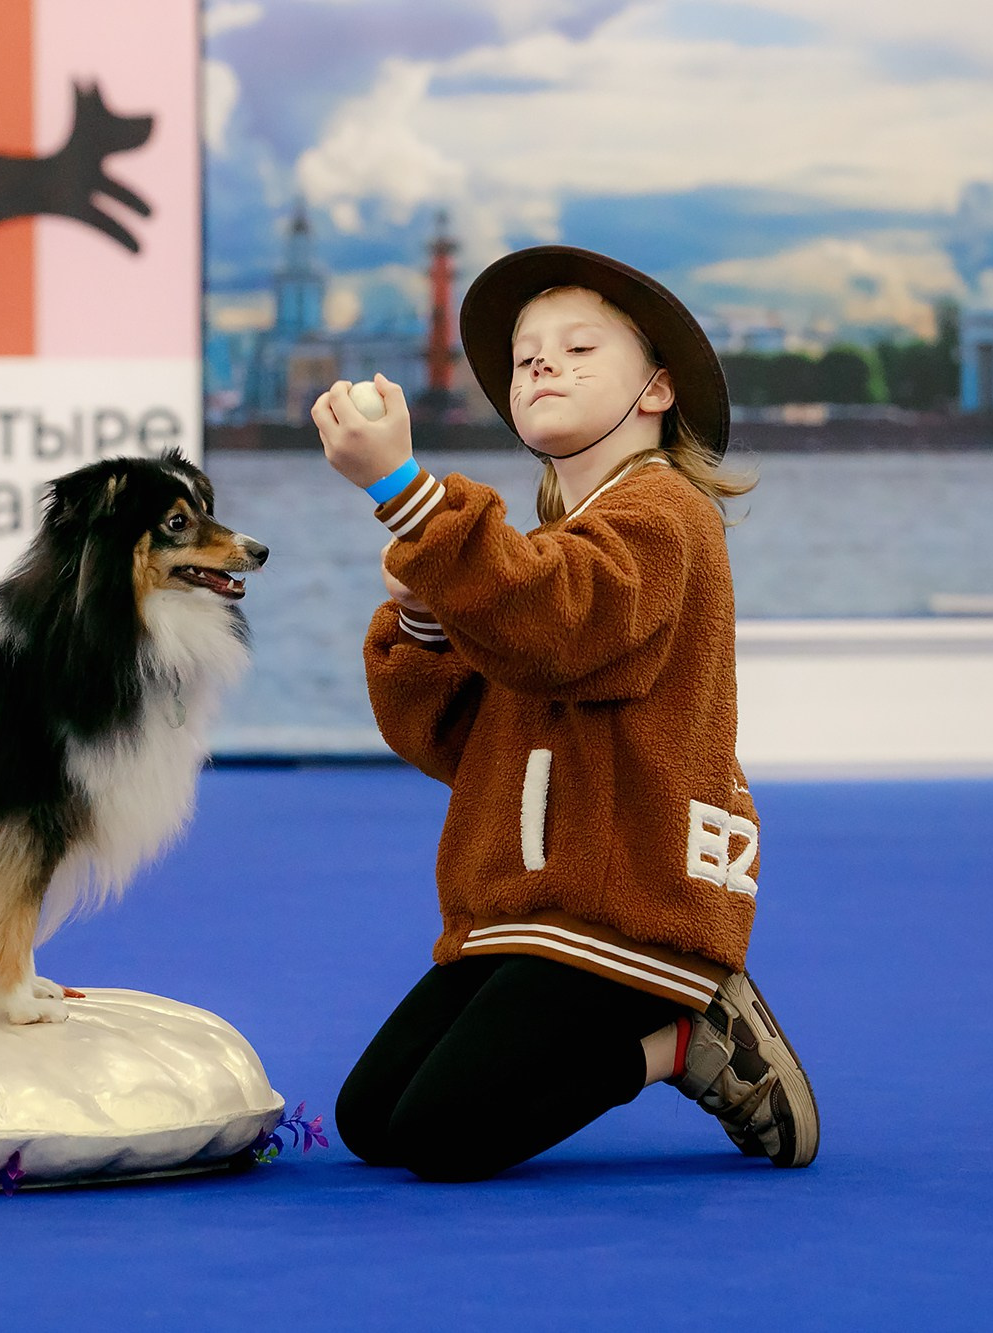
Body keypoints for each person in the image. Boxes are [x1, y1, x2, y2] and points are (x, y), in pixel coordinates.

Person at [310, 245, 817, 1182]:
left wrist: (406, 496)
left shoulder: (666, 516)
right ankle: (653, 1025)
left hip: (627, 906)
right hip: (523, 907)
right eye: (526, 353)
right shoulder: (534, 559)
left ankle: (682, 1031)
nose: (542, 362)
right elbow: (450, 738)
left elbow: (556, 619)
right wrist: (425, 622)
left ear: (657, 390)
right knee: (371, 1119)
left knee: (440, 1134)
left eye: (580, 348)